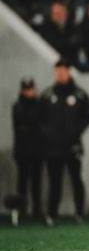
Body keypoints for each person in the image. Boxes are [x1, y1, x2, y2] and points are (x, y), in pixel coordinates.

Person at [40, 58, 89, 226]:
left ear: (69, 71)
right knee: (54, 182)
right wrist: (48, 134)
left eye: (63, 70)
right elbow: (40, 119)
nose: (61, 74)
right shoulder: (47, 95)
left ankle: (79, 213)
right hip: (53, 147)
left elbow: (88, 116)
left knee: (76, 180)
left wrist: (76, 131)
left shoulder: (80, 95)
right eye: (58, 71)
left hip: (73, 145)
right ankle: (52, 214)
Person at [12, 77, 43, 219]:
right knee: (22, 182)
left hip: (37, 150)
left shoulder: (39, 104)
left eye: (30, 89)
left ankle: (37, 210)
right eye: (26, 89)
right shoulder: (17, 106)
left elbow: (37, 124)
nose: (29, 92)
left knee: (36, 182)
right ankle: (22, 210)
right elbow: (23, 124)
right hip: (23, 150)